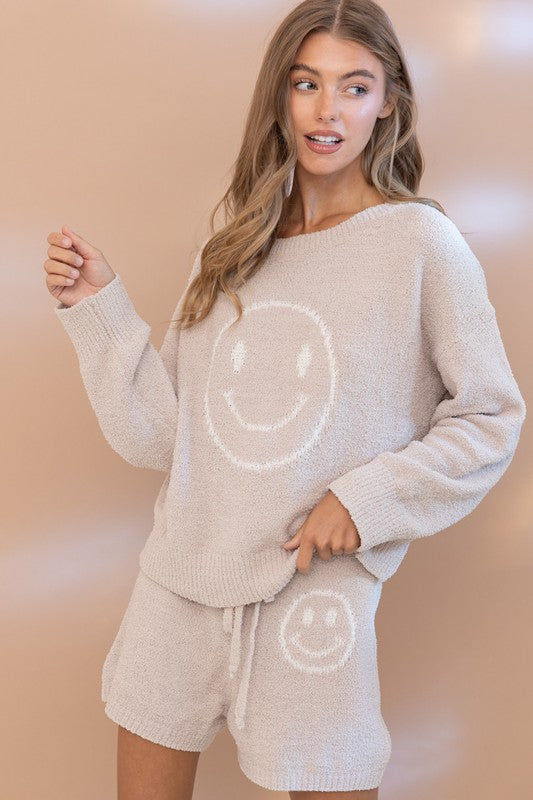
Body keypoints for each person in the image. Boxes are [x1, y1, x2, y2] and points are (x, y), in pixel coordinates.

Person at [44, 1, 526, 798]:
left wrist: (363, 500)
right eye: (306, 83)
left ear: (388, 103)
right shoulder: (232, 246)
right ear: (280, 95)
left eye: (354, 87)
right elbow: (165, 438)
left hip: (311, 592)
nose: (327, 110)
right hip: (179, 584)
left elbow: (489, 416)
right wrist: (99, 309)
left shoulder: (418, 246)